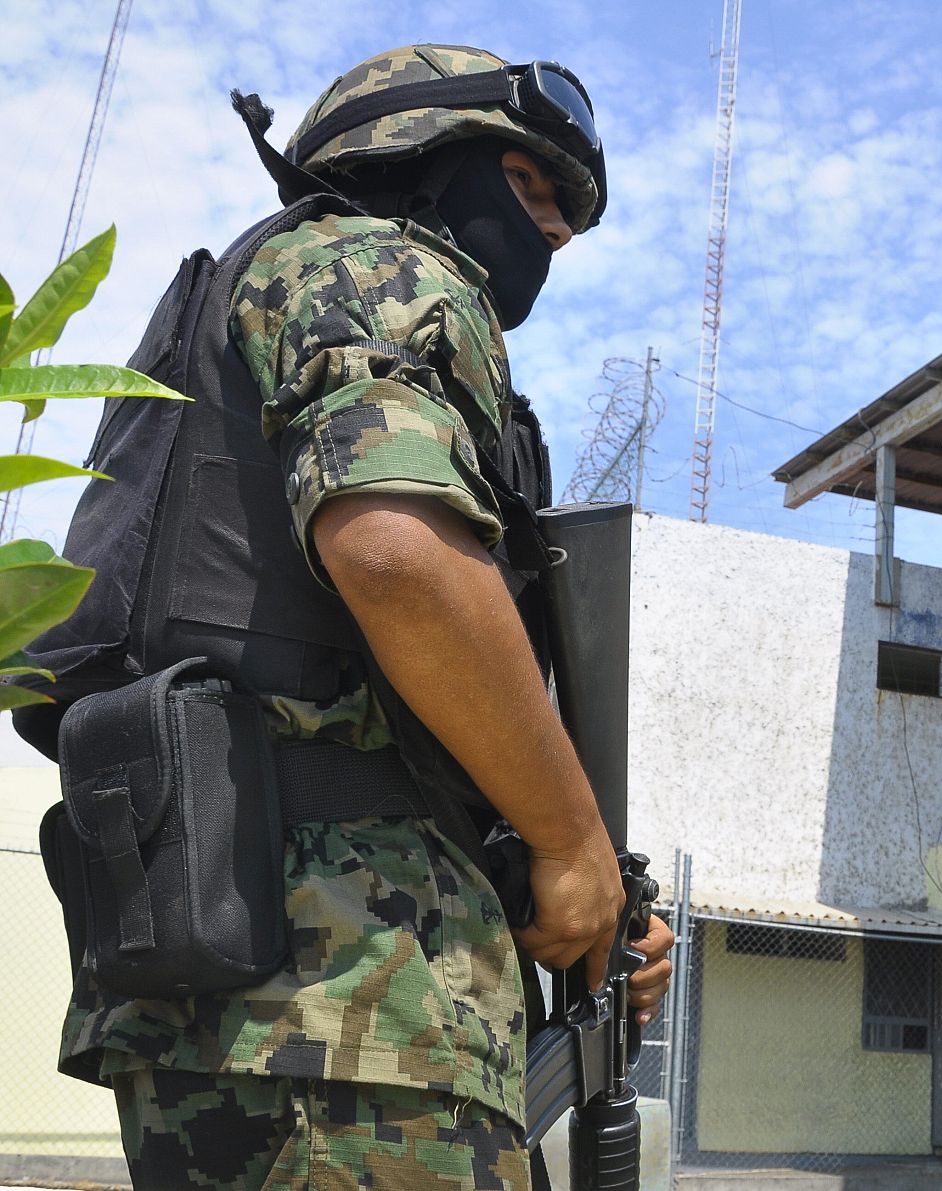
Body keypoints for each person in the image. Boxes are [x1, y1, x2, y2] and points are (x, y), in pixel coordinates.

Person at [50, 46, 672, 1189]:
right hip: (347, 1004)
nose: (559, 236)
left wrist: (585, 893)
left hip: (277, 981)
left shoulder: (284, 286)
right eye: (533, 188)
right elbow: (393, 551)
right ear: (416, 157)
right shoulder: (373, 261)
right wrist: (568, 841)